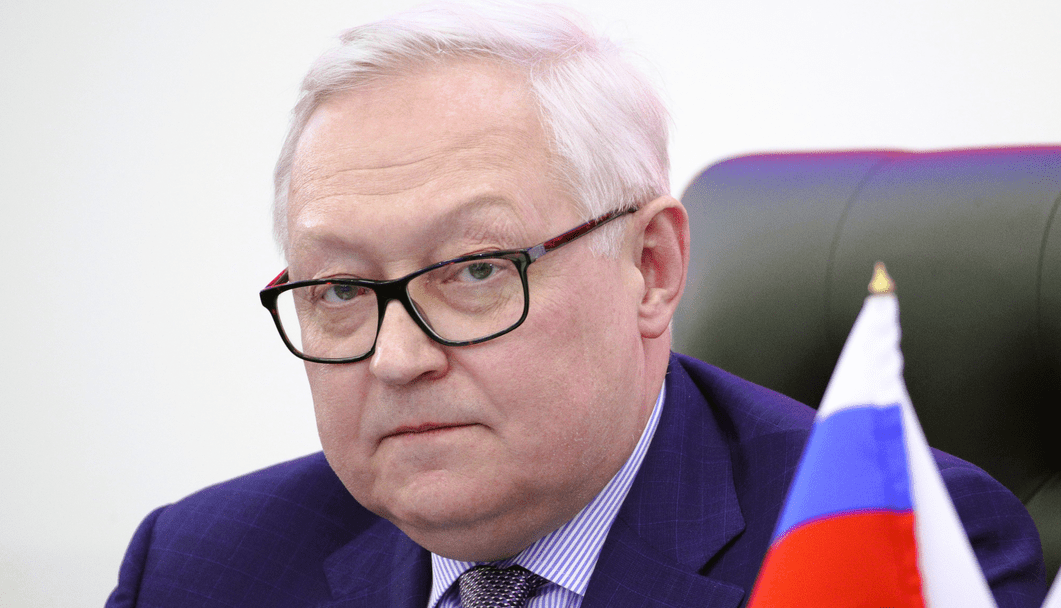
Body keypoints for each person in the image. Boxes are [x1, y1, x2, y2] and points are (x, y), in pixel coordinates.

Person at [106, 3, 1047, 607]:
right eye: (343, 289)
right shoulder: (196, 567)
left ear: (651, 267)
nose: (397, 358)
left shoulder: (888, 548)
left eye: (474, 271)